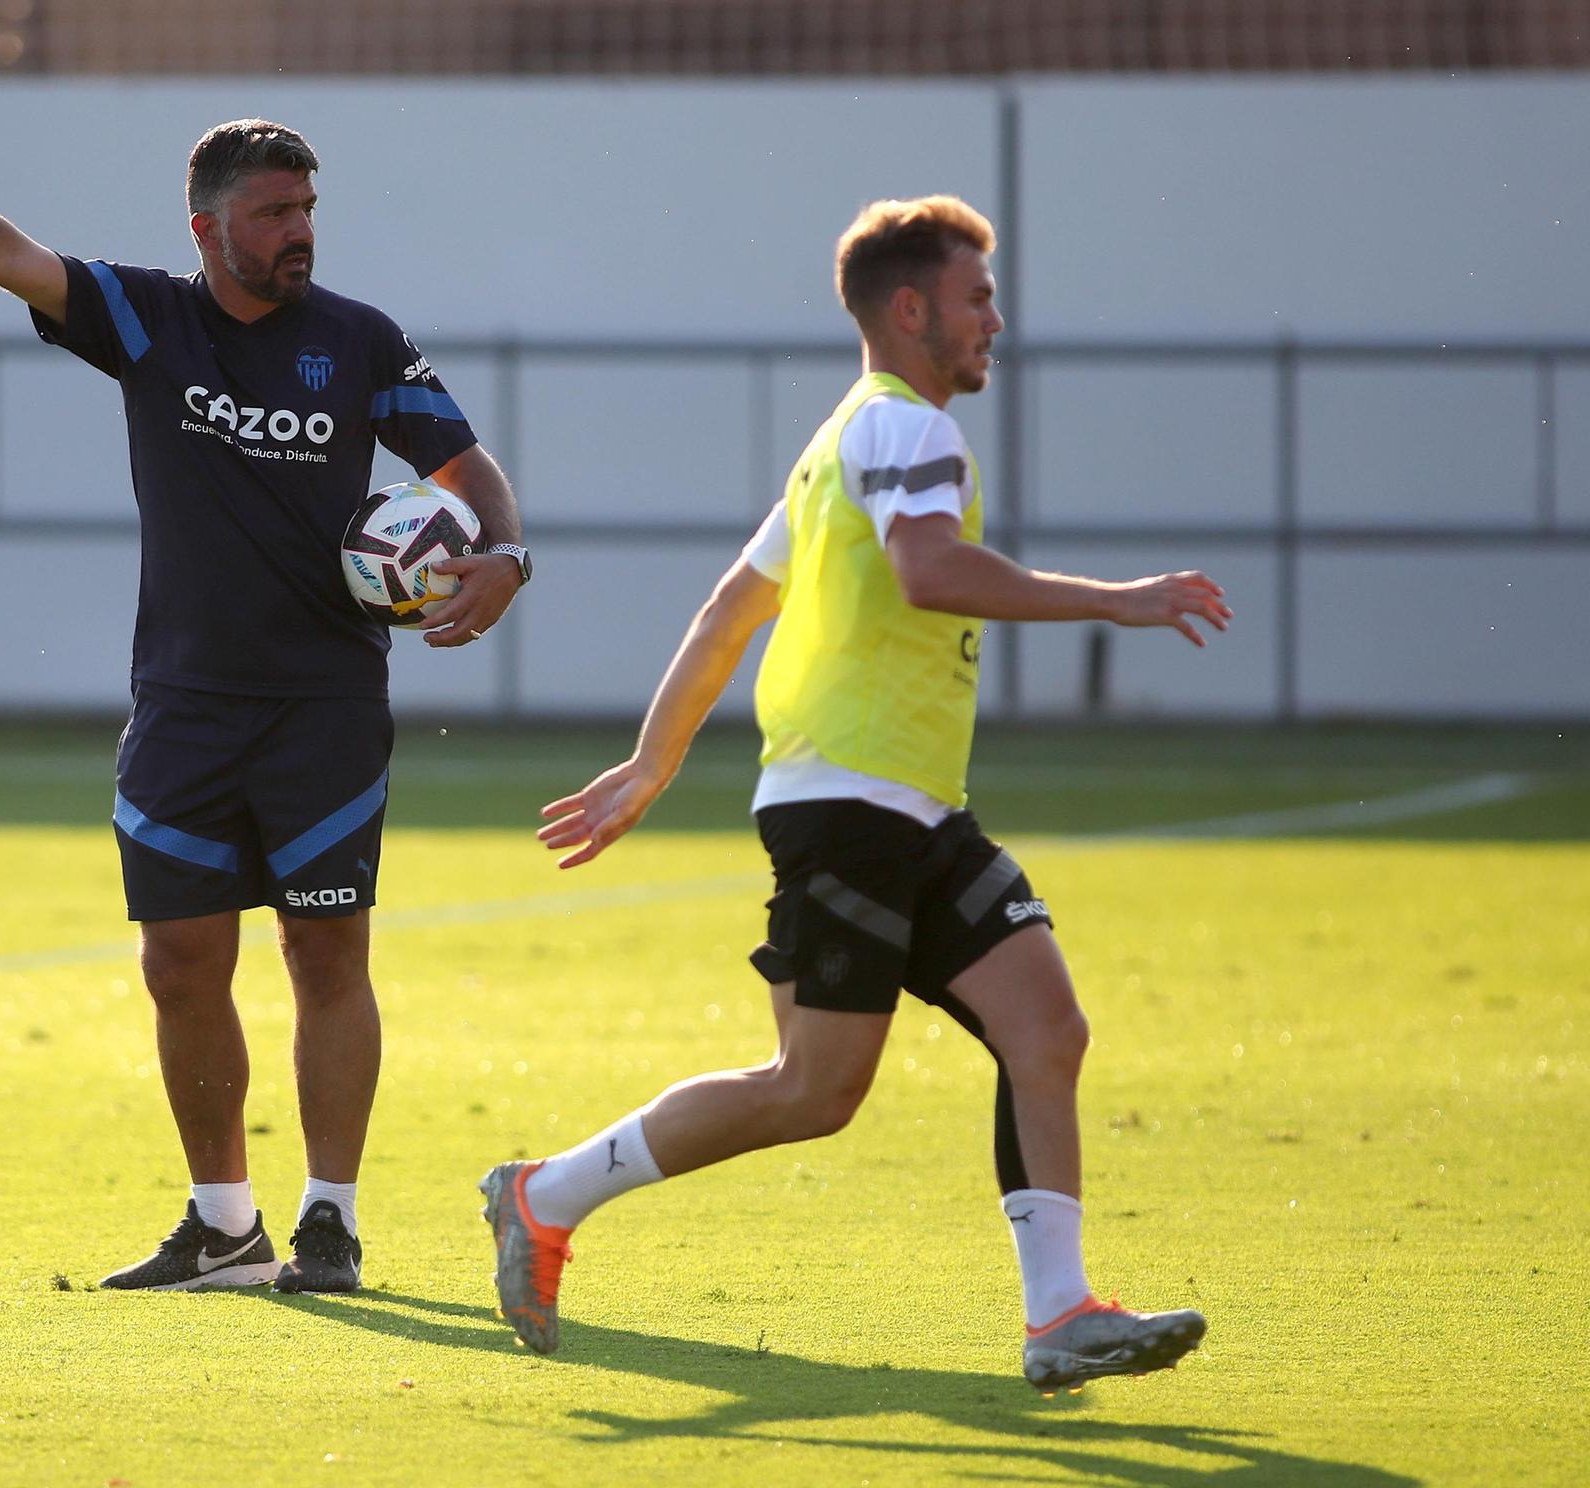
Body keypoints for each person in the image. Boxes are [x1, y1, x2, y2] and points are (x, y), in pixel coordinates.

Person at [481, 196, 1227, 1392]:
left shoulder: (845, 439)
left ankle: (1060, 1315)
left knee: (1045, 1029)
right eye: (977, 296)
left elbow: (733, 604)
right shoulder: (903, 433)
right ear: (911, 308)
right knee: (812, 1092)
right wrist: (1114, 598)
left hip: (906, 804)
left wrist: (651, 763)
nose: (995, 319)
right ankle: (543, 1193)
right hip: (851, 801)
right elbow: (926, 571)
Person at [0, 119, 533, 1295]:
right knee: (180, 966)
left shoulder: (357, 338)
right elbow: (0, 251)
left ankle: (329, 1222)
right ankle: (222, 1226)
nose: (300, 234)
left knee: (324, 951)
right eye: (275, 214)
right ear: (207, 228)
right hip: (183, 707)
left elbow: (464, 465)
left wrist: (507, 551)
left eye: (307, 211)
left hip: (325, 705)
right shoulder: (146, 318)